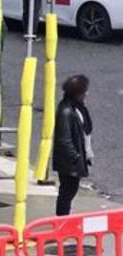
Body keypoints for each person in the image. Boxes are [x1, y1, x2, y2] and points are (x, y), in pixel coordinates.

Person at [53, 74, 93, 216]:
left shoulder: (77, 108)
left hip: (73, 160)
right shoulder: (66, 111)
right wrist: (76, 157)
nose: (87, 94)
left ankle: (64, 220)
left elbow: (84, 131)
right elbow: (64, 140)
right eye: (84, 91)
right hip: (69, 162)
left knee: (69, 191)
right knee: (67, 192)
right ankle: (62, 222)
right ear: (77, 93)